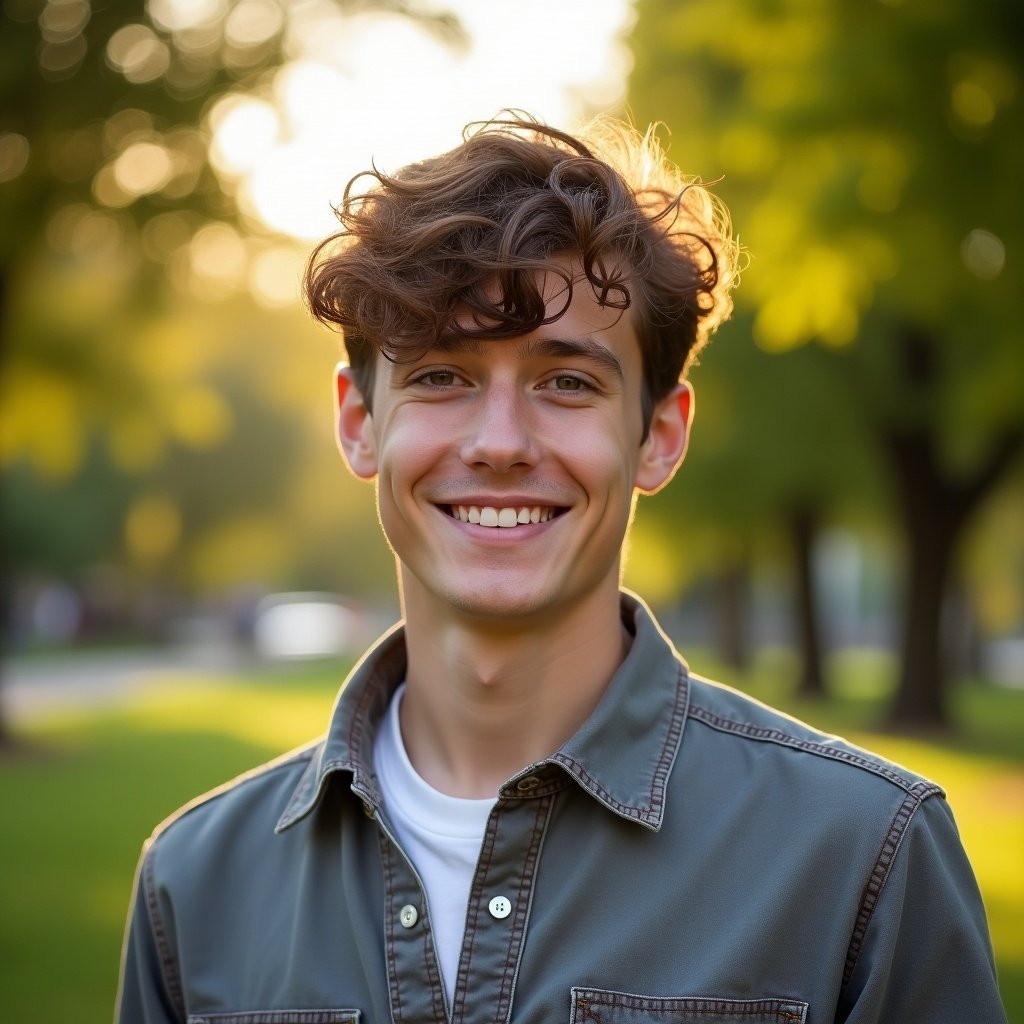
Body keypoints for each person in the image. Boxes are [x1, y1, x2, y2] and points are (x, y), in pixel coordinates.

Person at [115, 115, 1007, 1024]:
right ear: (359, 423)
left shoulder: (863, 858)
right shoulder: (192, 887)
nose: (500, 444)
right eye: (440, 376)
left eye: (567, 382)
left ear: (659, 435)